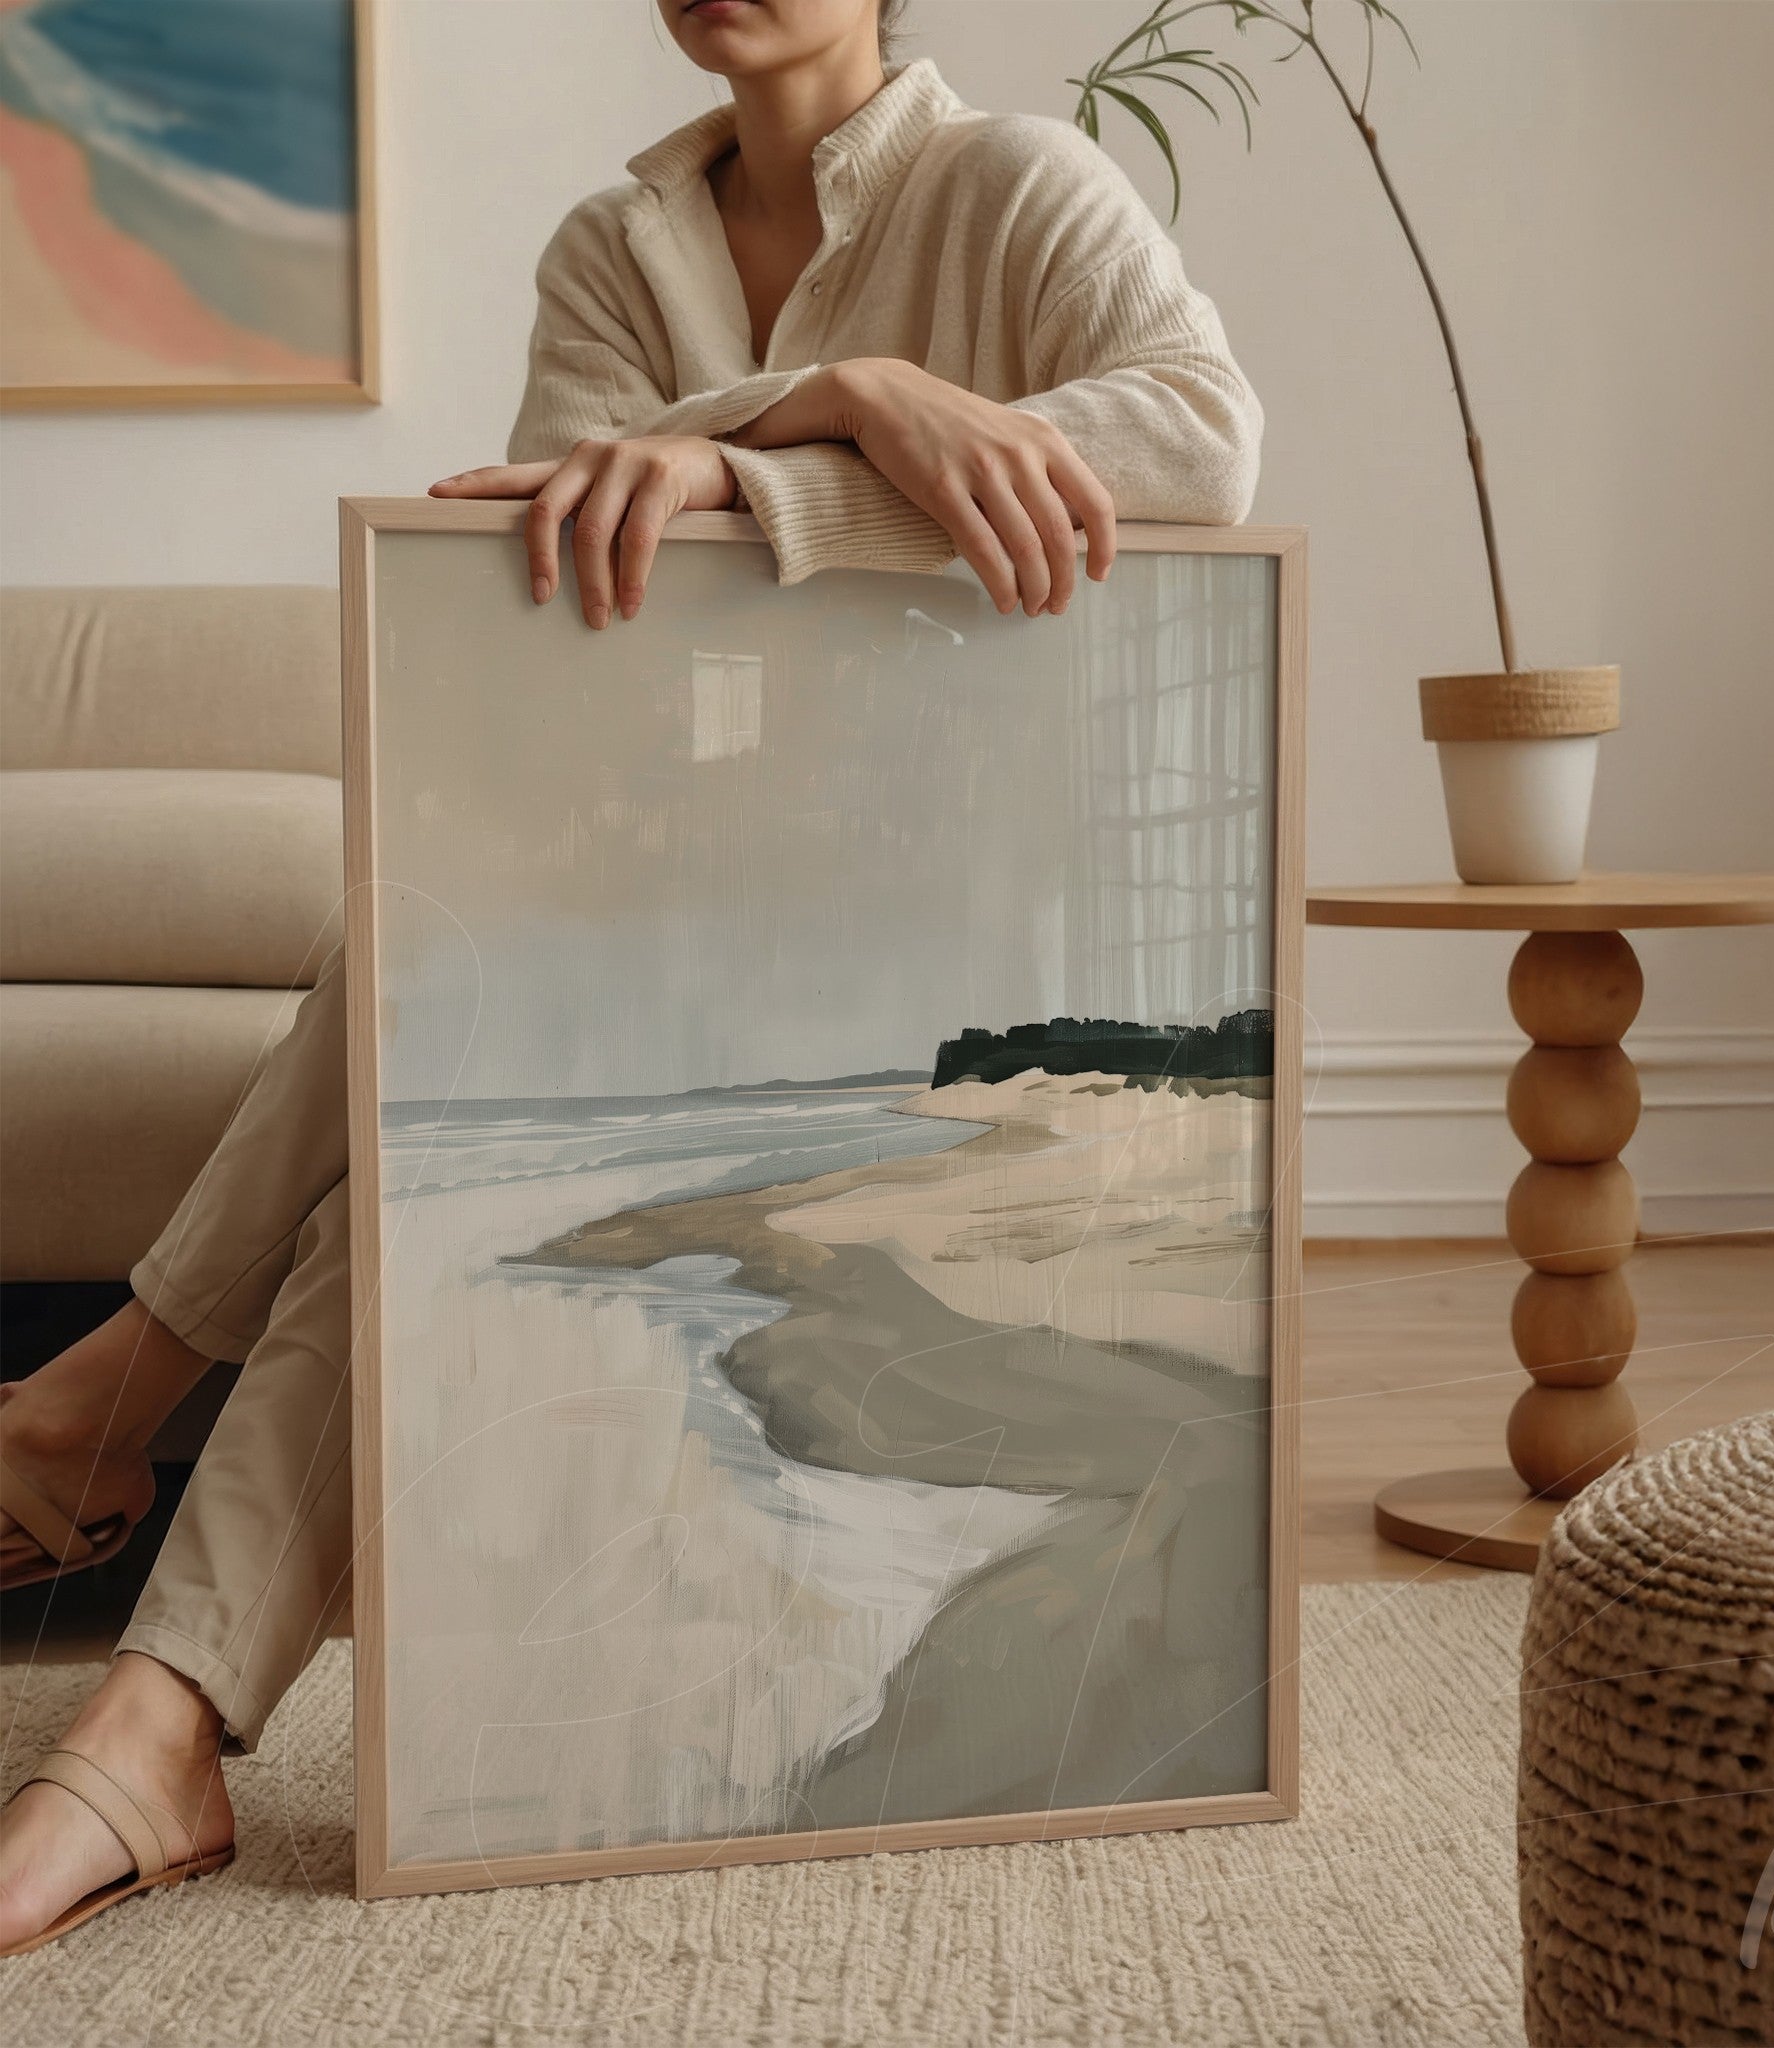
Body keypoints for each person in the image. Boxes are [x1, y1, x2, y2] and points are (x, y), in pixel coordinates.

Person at [0, 0, 1260, 1953]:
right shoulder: (613, 243)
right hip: (678, 888)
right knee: (441, 996)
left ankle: (111, 1412)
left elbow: (1197, 439)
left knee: (437, 959)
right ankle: (158, 1722)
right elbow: (543, 564)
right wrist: (850, 396)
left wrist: (781, 450)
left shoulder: (1015, 183)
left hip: (956, 924)